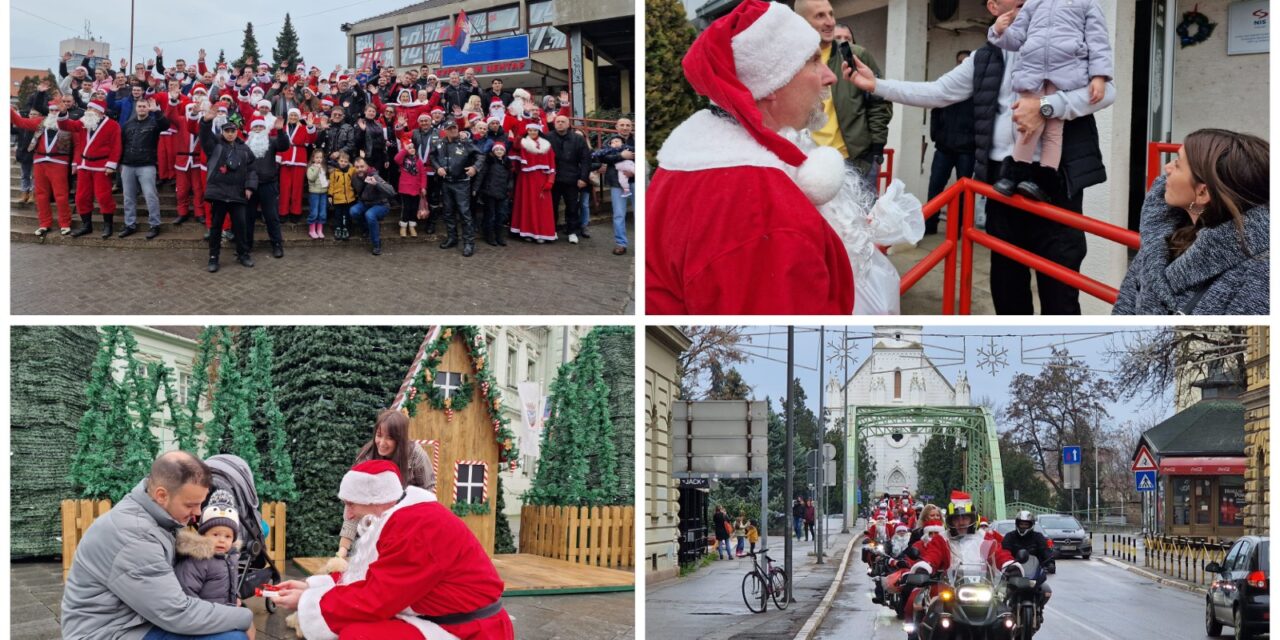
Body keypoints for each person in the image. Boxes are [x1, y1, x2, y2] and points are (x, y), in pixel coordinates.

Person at [846, 0, 1114, 315]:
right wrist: (876, 85)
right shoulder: (985, 56)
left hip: (1055, 181)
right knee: (1007, 286)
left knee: (1059, 290)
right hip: (1002, 180)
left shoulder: (1066, 37)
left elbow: (1107, 92)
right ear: (993, 7)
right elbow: (938, 92)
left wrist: (1046, 106)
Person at [646, 0, 855, 314]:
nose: (829, 76)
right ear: (772, 83)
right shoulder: (762, 207)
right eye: (813, 60)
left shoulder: (692, 159)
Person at [275, 460, 514, 639]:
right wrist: (311, 587)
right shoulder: (399, 517)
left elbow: (376, 598)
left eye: (351, 504)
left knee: (359, 636)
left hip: (468, 631)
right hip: (443, 617)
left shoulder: (417, 527)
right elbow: (373, 576)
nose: (347, 514)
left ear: (375, 500)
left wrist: (310, 602)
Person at [61, 452, 253, 640]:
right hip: (108, 631)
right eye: (190, 505)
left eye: (200, 504)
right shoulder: (135, 536)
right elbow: (176, 612)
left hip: (136, 618)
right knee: (232, 636)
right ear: (162, 495)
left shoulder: (157, 518)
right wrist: (244, 617)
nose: (197, 513)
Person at [1113, 129, 1269, 315]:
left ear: (1203, 192)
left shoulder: (1261, 274)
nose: (1167, 168)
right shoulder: (1161, 233)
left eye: (1177, 164)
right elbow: (1126, 304)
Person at [987, 0, 1113, 202]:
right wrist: (1000, 32)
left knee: (1053, 131)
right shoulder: (1034, 3)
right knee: (1027, 126)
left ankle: (1044, 180)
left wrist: (1099, 76)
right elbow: (1017, 38)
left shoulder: (1087, 3)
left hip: (1066, 73)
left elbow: (1098, 42)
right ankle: (1014, 175)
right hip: (1033, 71)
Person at [794, 0, 893, 190]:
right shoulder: (793, 60)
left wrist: (876, 146)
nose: (830, 22)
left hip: (856, 161)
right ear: (801, 22)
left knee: (862, 219)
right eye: (820, 16)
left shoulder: (855, 55)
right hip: (810, 163)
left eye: (831, 14)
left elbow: (879, 99)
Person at [335, 410, 436, 562]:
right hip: (373, 525)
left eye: (389, 438)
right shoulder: (366, 457)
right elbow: (353, 504)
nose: (381, 442)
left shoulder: (416, 455)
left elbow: (429, 493)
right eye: (379, 435)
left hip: (408, 522)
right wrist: (342, 551)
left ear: (400, 439)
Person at [173, 491, 250, 640]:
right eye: (215, 535)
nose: (222, 540)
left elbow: (231, 583)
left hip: (223, 614)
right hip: (204, 620)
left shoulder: (230, 557)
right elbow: (187, 592)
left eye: (227, 536)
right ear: (204, 535)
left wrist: (236, 597)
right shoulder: (197, 560)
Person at [198, 106, 258, 272]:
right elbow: (204, 137)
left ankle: (243, 254)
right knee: (216, 228)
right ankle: (213, 257)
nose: (230, 133)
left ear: (237, 131)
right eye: (227, 130)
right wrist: (206, 122)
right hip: (219, 194)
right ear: (223, 131)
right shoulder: (215, 145)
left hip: (238, 194)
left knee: (240, 227)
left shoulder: (245, 149)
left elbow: (252, 169)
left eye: (233, 130)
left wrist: (250, 186)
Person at [925, 51, 976, 236]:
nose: (963, 64)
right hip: (944, 147)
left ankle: (957, 230)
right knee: (935, 187)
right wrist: (936, 136)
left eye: (966, 61)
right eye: (960, 62)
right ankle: (930, 226)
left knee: (964, 193)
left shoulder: (977, 89)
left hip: (967, 150)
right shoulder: (949, 84)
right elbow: (935, 111)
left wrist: (975, 141)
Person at [11, 100, 76, 236]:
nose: (54, 113)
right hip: (40, 161)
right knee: (40, 195)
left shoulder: (67, 123)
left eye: (56, 110)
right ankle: (44, 223)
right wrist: (9, 110)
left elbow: (78, 143)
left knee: (61, 195)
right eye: (51, 110)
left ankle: (65, 223)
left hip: (59, 162)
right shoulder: (41, 121)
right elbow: (21, 122)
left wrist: (76, 162)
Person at [59, 100, 122, 239]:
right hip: (84, 165)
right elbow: (66, 125)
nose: (87, 111)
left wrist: (111, 165)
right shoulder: (83, 122)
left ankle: (108, 225)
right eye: (87, 108)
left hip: (102, 166)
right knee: (81, 197)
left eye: (91, 108)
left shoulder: (113, 125)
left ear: (100, 111)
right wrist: (63, 113)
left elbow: (116, 147)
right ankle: (86, 225)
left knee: (103, 196)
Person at [117, 96, 170, 239]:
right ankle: (130, 224)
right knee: (128, 197)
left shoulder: (154, 123)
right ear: (136, 108)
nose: (141, 108)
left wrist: (157, 112)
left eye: (144, 106)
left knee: (150, 196)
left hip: (146, 165)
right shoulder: (128, 125)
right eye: (139, 106)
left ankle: (155, 224)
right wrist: (119, 163)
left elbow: (166, 125)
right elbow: (121, 145)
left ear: (148, 108)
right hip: (128, 165)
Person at [432, 120, 482, 256]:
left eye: (454, 127)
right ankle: (452, 238)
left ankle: (469, 243)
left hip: (462, 183)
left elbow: (480, 156)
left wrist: (475, 168)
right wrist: (438, 168)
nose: (453, 130)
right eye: (450, 128)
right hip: (446, 182)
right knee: (448, 213)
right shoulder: (440, 143)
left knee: (464, 213)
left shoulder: (466, 142)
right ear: (445, 130)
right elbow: (432, 156)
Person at [243, 118, 291, 260]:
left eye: (260, 126)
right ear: (251, 130)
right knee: (248, 217)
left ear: (265, 129)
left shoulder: (272, 141)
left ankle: (277, 244)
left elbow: (284, 146)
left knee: (272, 217)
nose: (258, 129)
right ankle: (246, 245)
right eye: (255, 127)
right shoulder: (245, 144)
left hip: (268, 184)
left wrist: (281, 131)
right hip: (249, 187)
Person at [509, 123, 558, 243]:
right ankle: (527, 232)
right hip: (525, 179)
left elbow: (552, 165)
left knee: (542, 208)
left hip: (542, 179)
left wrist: (550, 181)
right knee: (526, 205)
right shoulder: (523, 143)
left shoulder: (547, 146)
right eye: (530, 130)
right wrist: (520, 134)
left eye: (534, 130)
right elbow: (515, 146)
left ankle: (542, 233)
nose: (532, 133)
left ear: (539, 131)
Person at [546, 114, 591, 243]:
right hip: (553, 178)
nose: (560, 123)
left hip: (572, 178)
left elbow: (586, 160)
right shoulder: (548, 137)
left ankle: (572, 231)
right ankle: (552, 230)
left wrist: (583, 178)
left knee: (572, 206)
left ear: (568, 124)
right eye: (558, 121)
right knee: (552, 206)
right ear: (554, 124)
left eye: (563, 121)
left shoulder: (578, 139)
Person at [1001, 510, 1053, 623]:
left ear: (1031, 525)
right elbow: (1003, 551)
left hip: (1033, 572)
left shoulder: (1038, 537)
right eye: (1021, 523)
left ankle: (1040, 608)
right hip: (1014, 572)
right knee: (1001, 593)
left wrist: (1050, 562)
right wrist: (1006, 565)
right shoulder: (1010, 537)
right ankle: (1003, 613)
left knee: (1046, 590)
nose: (1023, 526)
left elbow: (1045, 551)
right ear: (1017, 524)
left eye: (1026, 524)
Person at [349, 156, 397, 255]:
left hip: (381, 204)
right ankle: (366, 228)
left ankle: (376, 244)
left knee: (369, 215)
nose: (359, 169)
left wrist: (377, 184)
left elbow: (392, 191)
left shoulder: (374, 176)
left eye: (362, 166)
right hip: (365, 203)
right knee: (353, 211)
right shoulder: (354, 177)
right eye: (357, 167)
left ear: (367, 166)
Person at [276, 109, 316, 222]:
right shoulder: (283, 129)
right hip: (285, 160)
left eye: (295, 115)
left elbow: (311, 140)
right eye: (291, 115)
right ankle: (283, 212)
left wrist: (311, 127)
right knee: (284, 188)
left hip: (299, 160)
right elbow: (279, 143)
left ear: (298, 117)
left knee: (297, 188)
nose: (293, 117)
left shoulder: (304, 129)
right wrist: (278, 158)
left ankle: (295, 212)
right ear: (288, 116)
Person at [477, 142, 515, 247]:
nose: (499, 151)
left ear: (504, 152)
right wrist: (476, 188)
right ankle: (489, 235)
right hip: (490, 192)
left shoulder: (507, 163)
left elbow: (511, 178)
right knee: (490, 216)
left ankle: (499, 236)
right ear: (493, 151)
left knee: (501, 215)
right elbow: (482, 175)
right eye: (497, 150)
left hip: (503, 192)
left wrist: (509, 187)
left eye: (501, 150)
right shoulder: (488, 162)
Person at [394, 141, 428, 238]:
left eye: (413, 147)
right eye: (410, 148)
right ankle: (403, 226)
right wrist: (405, 149)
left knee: (414, 208)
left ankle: (412, 226)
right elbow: (396, 159)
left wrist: (423, 187)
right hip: (405, 189)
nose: (412, 149)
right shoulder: (403, 160)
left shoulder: (419, 161)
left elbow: (423, 174)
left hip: (416, 189)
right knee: (406, 208)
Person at [327, 152, 358, 241]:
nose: (343, 163)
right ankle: (338, 229)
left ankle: (346, 229)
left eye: (345, 161)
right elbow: (332, 185)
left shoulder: (351, 170)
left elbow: (359, 168)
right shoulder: (334, 172)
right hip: (337, 199)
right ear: (338, 161)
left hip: (349, 198)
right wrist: (330, 195)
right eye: (341, 161)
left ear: (348, 162)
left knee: (346, 215)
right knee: (338, 215)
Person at [305, 149, 330, 239]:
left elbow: (323, 180)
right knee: (314, 212)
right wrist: (316, 169)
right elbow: (311, 178)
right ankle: (312, 230)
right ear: (313, 158)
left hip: (323, 193)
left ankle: (319, 230)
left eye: (321, 157)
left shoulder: (323, 168)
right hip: (314, 193)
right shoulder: (311, 168)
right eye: (317, 157)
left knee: (322, 212)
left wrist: (327, 183)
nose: (319, 159)